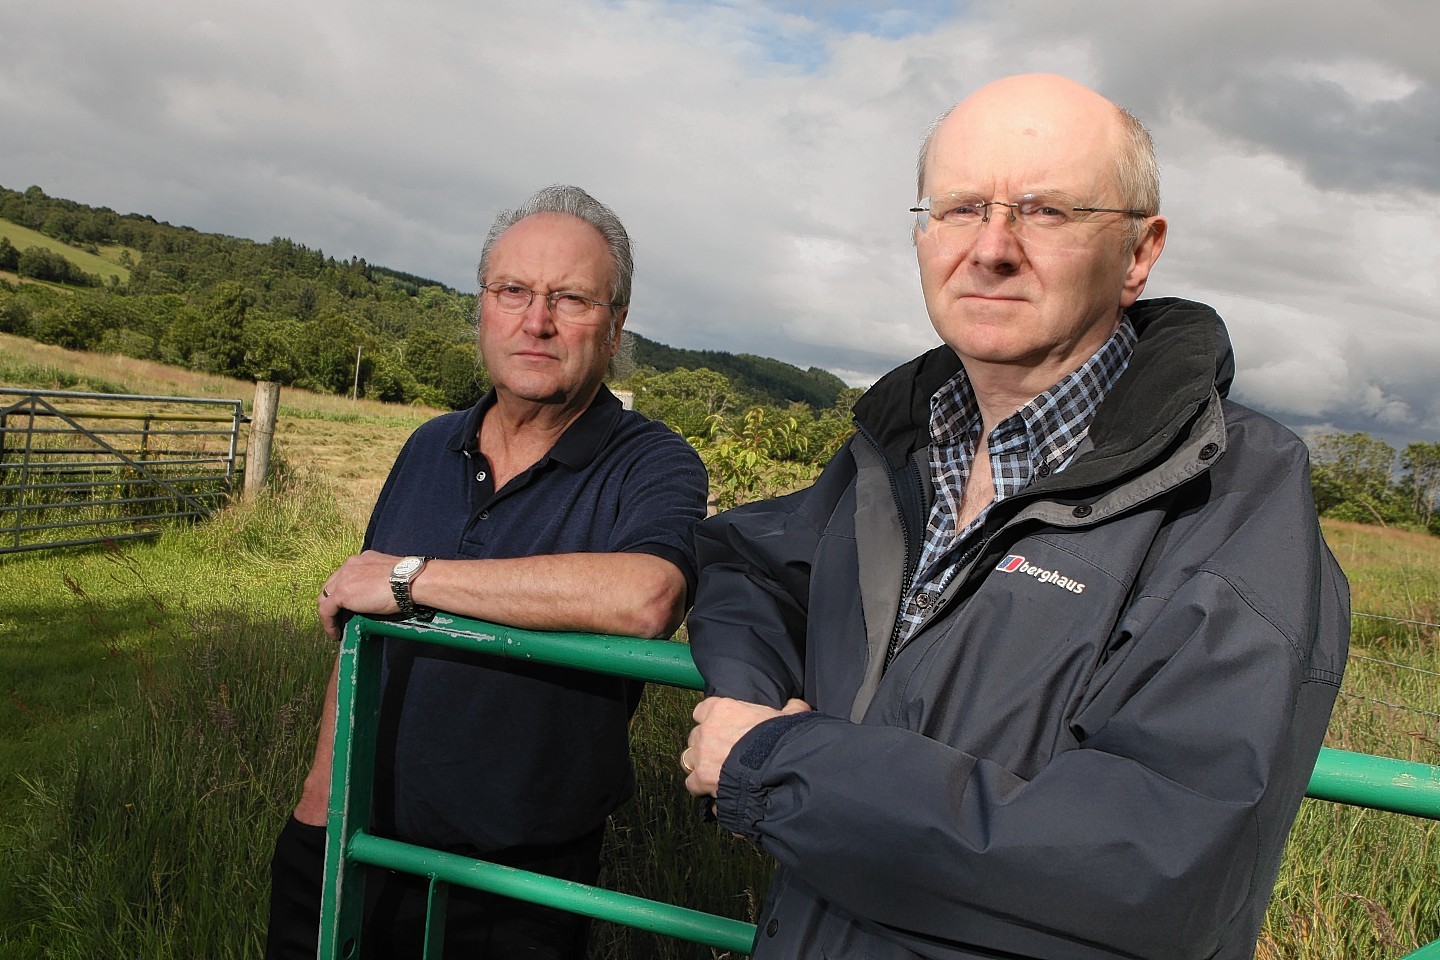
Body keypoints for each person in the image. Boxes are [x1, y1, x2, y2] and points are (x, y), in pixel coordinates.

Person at [681, 74, 1349, 960]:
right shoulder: (904, 447)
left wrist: (776, 766)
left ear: (1140, 252)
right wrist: (752, 700)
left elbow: (1159, 860)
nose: (990, 248)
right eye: (958, 208)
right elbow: (749, 564)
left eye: (1045, 211)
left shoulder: (1230, 502)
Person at [266, 184, 709, 959]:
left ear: (614, 327)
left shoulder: (652, 461)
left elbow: (646, 596)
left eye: (570, 298)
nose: (536, 321)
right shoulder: (428, 445)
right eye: (513, 291)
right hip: (356, 839)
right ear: (483, 308)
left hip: (518, 885)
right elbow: (360, 637)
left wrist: (412, 578)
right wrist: (317, 808)